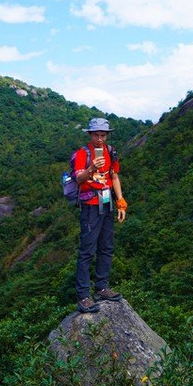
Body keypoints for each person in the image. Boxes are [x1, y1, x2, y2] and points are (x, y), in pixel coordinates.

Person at [73, 117, 128, 313]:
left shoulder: (111, 152)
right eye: (95, 134)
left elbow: (114, 176)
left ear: (107, 135)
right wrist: (91, 169)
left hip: (107, 203)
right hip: (90, 205)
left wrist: (120, 201)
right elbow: (79, 179)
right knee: (87, 250)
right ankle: (83, 296)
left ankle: (102, 287)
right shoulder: (82, 154)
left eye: (103, 135)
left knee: (106, 247)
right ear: (90, 134)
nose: (99, 139)